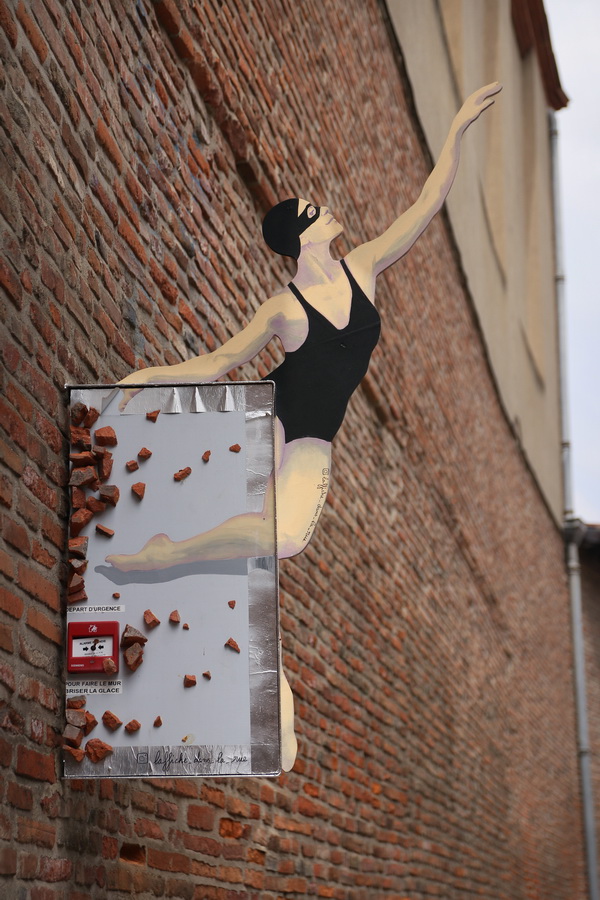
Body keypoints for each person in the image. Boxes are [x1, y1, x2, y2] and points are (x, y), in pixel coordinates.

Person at [107, 83, 501, 769]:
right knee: (279, 542)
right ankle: (167, 559)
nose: (328, 212)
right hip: (276, 430)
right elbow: (222, 359)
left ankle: (262, 690)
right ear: (300, 235)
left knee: (269, 555)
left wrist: (457, 128)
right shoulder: (283, 308)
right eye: (315, 213)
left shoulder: (364, 267)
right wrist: (142, 380)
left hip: (314, 442)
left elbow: (427, 204)